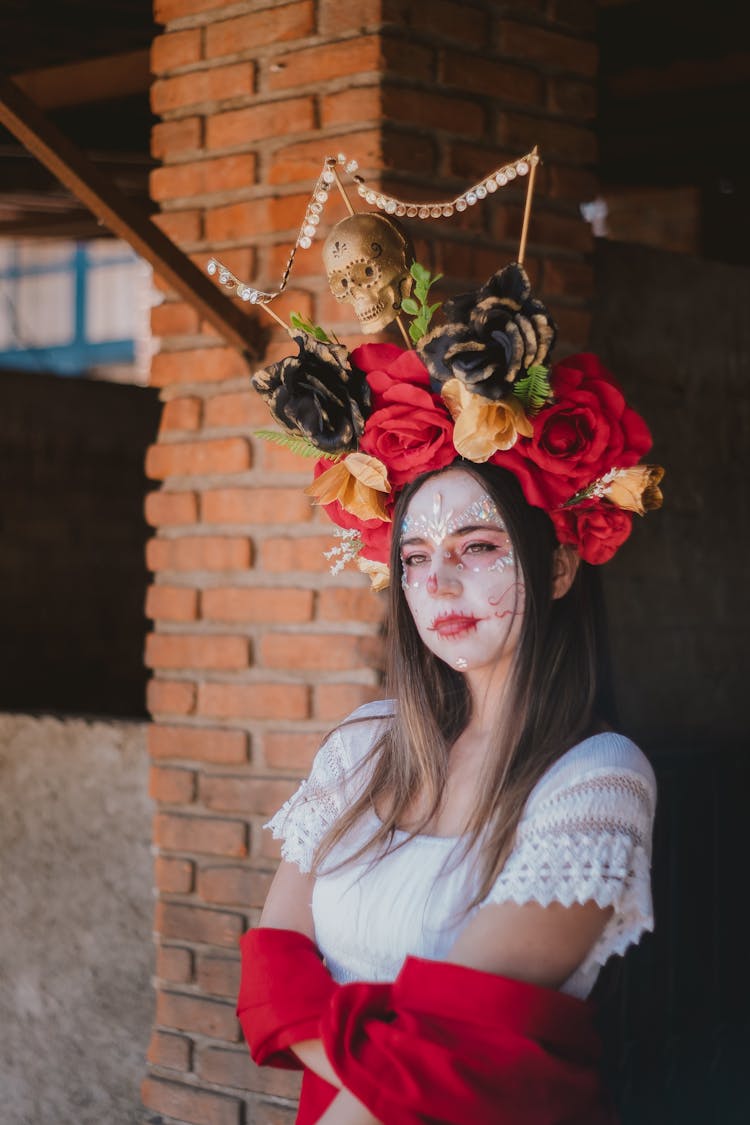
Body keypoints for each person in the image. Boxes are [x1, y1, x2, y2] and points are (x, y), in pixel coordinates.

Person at [229, 252, 662, 1123]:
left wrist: (334, 1048)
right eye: (417, 559)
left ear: (563, 565)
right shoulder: (363, 746)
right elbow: (267, 972)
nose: (441, 587)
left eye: (478, 547)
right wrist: (365, 1056)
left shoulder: (598, 778)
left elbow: (452, 1050)